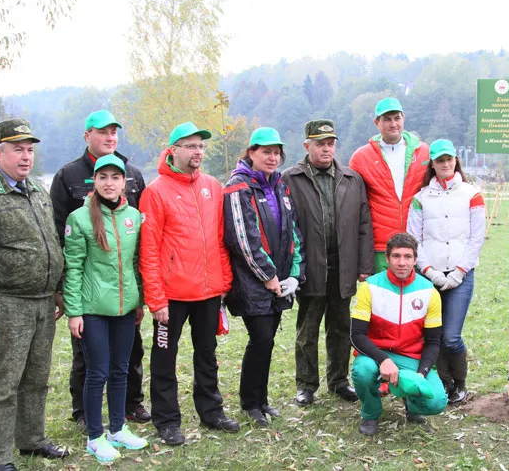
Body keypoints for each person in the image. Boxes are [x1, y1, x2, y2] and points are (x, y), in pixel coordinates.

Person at [0, 119, 68, 471]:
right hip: (6, 304)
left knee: (37, 378)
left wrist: (59, 290)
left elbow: (51, 243)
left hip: (42, 301)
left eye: (30, 149)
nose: (26, 156)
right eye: (17, 149)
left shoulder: (36, 190)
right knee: (4, 384)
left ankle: (32, 441)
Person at [50, 110, 149, 431]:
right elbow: (60, 239)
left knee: (130, 351)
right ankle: (83, 413)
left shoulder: (132, 173)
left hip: (123, 294)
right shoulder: (68, 176)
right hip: (89, 293)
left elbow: (139, 244)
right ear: (86, 135)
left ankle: (131, 406)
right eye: (102, 132)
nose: (109, 137)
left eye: (114, 132)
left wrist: (142, 296)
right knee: (88, 357)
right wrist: (64, 293)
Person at [139, 121, 238, 445]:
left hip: (208, 292)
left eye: (201, 146)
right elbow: (149, 249)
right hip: (172, 296)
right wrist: (156, 299)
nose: (198, 152)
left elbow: (220, 239)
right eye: (191, 146)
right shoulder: (155, 192)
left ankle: (212, 412)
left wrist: (224, 281)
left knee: (207, 355)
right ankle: (166, 420)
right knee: (164, 358)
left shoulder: (212, 185)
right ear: (174, 150)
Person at [282, 119, 374, 406]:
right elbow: (286, 226)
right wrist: (292, 268)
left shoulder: (351, 178)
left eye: (330, 143)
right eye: (320, 144)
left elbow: (364, 223)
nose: (326, 149)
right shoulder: (291, 178)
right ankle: (306, 385)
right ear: (307, 145)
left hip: (343, 266)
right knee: (307, 331)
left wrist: (364, 264)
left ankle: (339, 381)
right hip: (310, 266)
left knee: (340, 327)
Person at [63, 154, 148, 463]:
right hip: (93, 309)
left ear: (123, 182)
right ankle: (95, 436)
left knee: (120, 369)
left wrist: (139, 300)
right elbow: (72, 268)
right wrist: (74, 311)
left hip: (125, 308)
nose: (109, 183)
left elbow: (136, 263)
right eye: (103, 178)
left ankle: (117, 428)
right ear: (95, 182)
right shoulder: (80, 218)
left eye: (115, 177)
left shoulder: (133, 217)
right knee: (97, 372)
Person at [223, 127, 305, 426]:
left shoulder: (279, 186)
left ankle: (262, 399)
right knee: (260, 339)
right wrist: (268, 276)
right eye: (265, 152)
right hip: (252, 283)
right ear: (251, 153)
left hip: (279, 282)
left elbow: (292, 231)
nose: (272, 157)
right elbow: (242, 239)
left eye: (276, 152)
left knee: (267, 341)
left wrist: (294, 274)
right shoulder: (238, 187)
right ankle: (249, 402)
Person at [407, 139, 485, 405]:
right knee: (434, 334)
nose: (445, 164)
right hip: (432, 275)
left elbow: (477, 237)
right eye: (440, 160)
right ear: (433, 164)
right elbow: (413, 238)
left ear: (456, 160)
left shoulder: (471, 193)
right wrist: (429, 270)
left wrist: (460, 271)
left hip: (461, 275)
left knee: (452, 336)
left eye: (449, 159)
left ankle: (461, 382)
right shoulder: (421, 198)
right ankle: (445, 382)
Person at [350, 233, 448, 436]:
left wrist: (420, 375)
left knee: (437, 402)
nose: (401, 262)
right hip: (375, 354)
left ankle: (411, 403)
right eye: (396, 256)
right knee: (362, 371)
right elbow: (356, 335)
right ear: (386, 258)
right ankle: (370, 413)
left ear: (415, 259)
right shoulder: (369, 287)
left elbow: (433, 342)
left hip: (410, 357)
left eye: (407, 257)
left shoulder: (430, 292)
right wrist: (383, 359)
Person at [349, 97, 429, 272]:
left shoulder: (423, 152)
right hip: (380, 246)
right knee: (382, 297)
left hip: (416, 243)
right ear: (377, 122)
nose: (393, 124)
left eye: (397, 118)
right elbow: (353, 205)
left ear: (403, 119)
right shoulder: (361, 158)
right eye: (387, 119)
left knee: (415, 298)